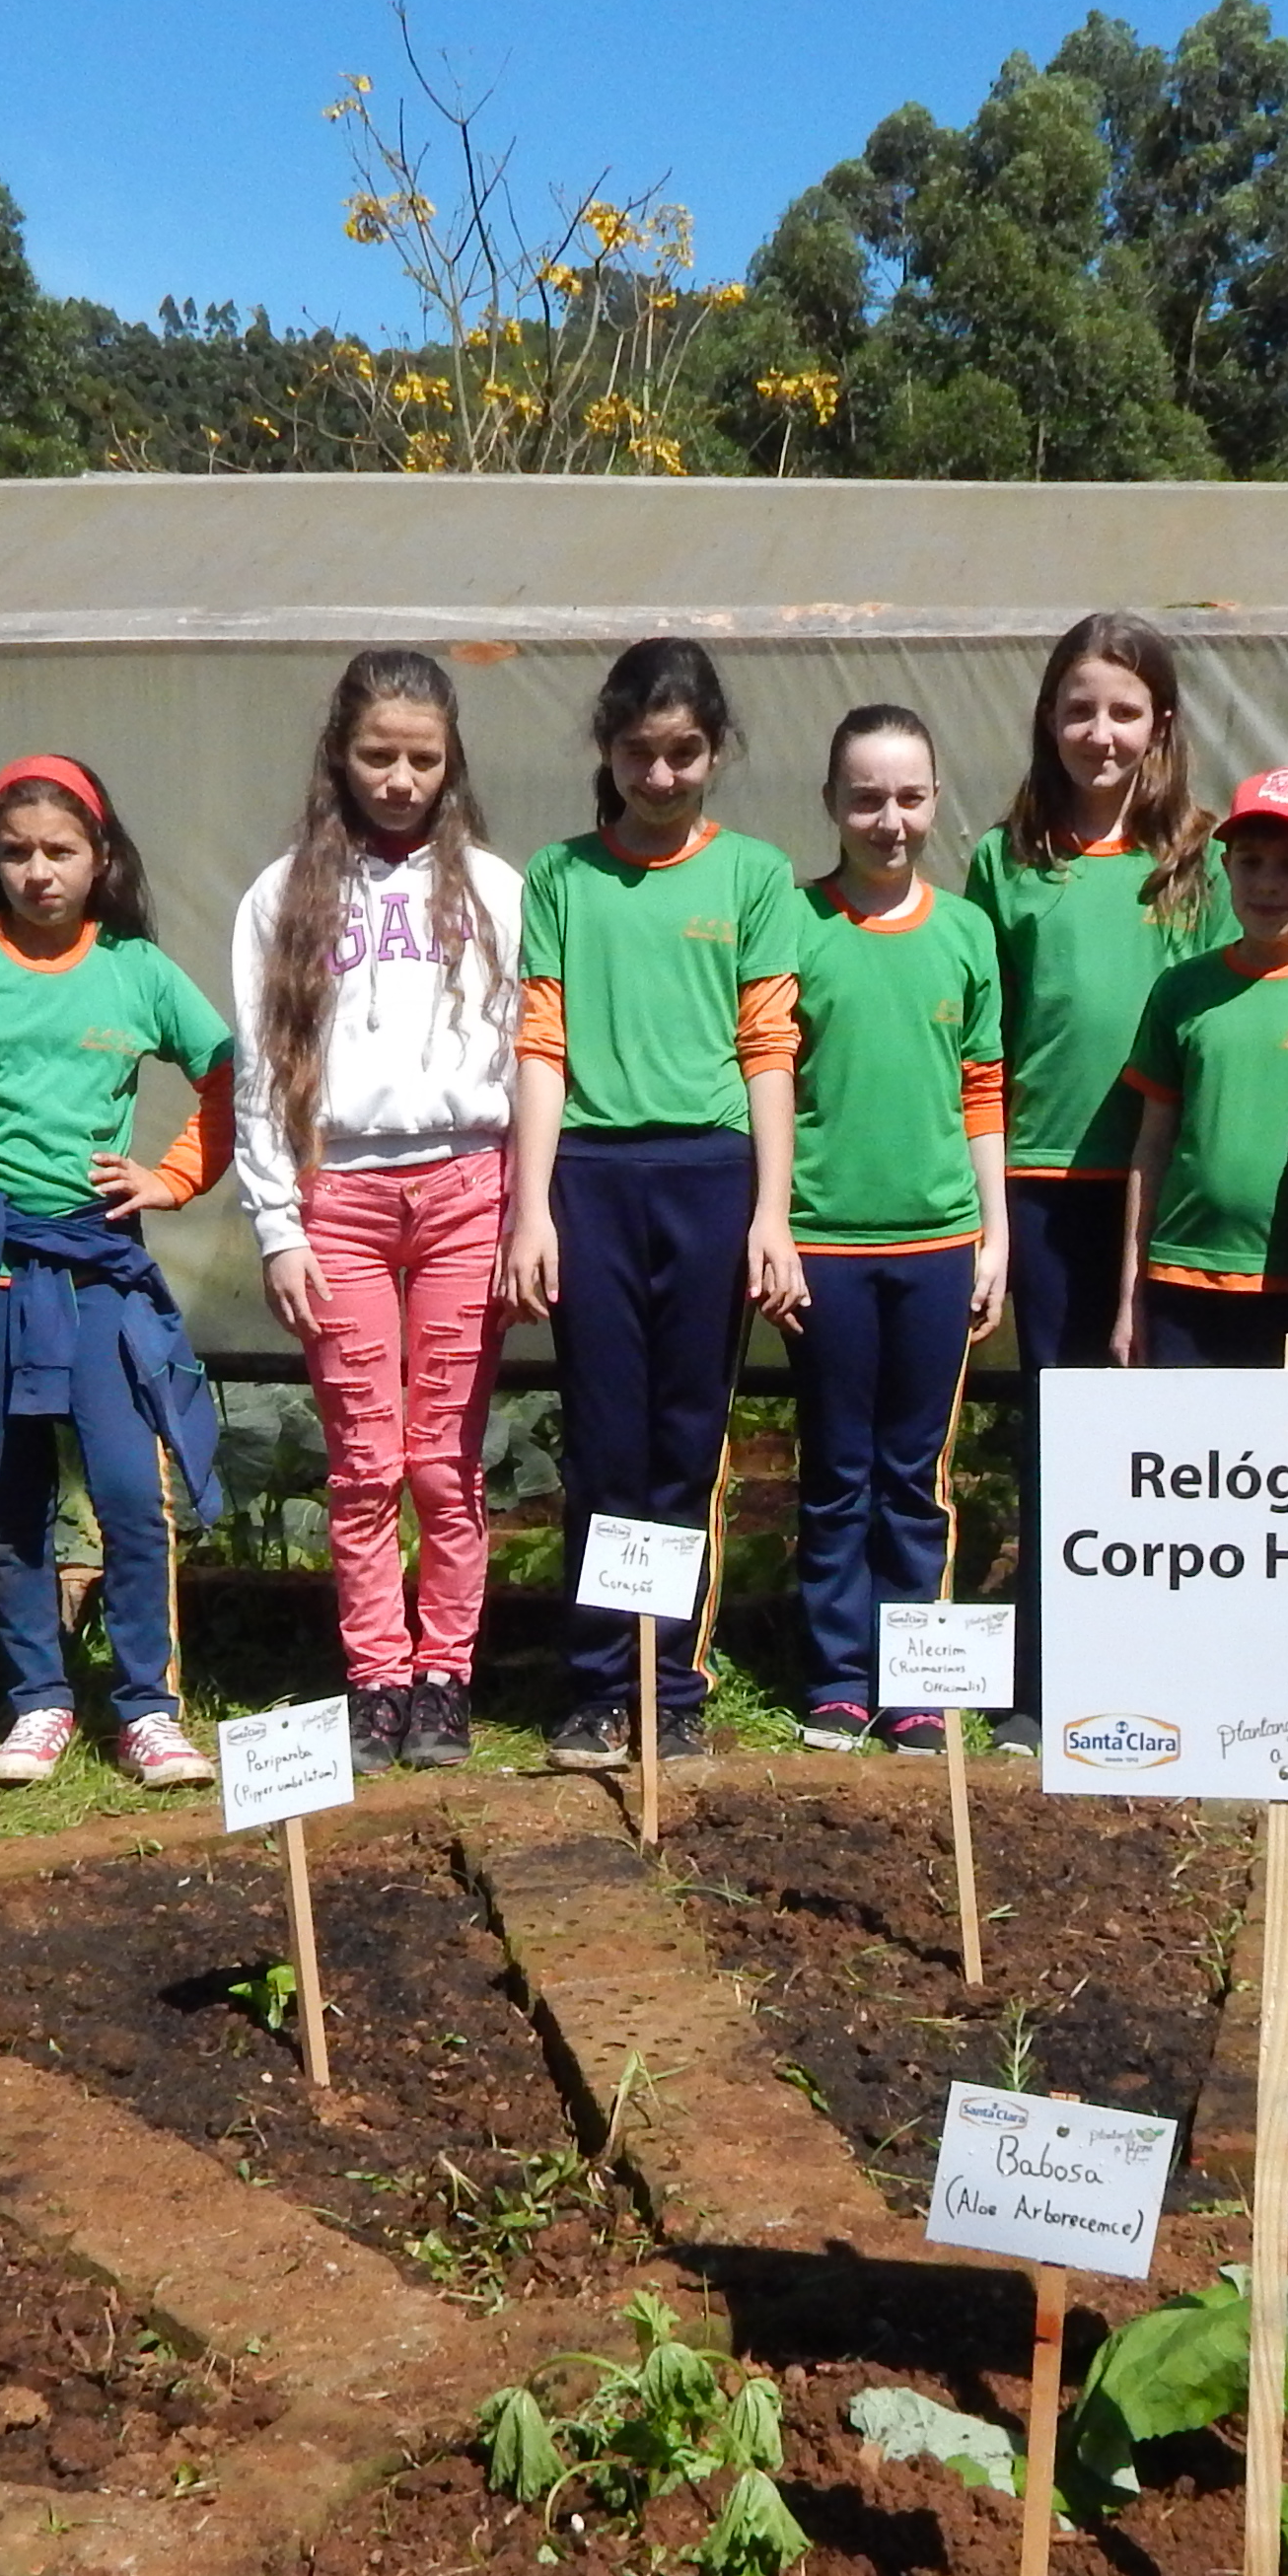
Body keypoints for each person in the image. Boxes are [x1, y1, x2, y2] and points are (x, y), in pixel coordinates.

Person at [0, 756, 232, 1794]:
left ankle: (149, 1709)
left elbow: (228, 1073)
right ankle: (38, 1699)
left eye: (60, 851)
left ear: (100, 858)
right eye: (17, 852)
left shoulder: (138, 971)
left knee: (129, 1489)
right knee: (10, 1490)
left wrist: (172, 1177)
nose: (39, 872)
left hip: (98, 1266)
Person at [500, 638, 805, 1770]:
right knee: (603, 1444)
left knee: (684, 1443)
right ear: (608, 750)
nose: (662, 776)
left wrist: (770, 1213)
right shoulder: (560, 876)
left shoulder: (756, 876)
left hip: (711, 1180)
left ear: (716, 751)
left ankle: (669, 1684)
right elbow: (540, 1045)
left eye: (684, 753)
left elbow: (768, 1049)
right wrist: (532, 1209)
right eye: (640, 753)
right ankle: (595, 1684)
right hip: (590, 1179)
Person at [230, 650, 521, 1775]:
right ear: (339, 756)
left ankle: (444, 1675)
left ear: (452, 763)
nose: (400, 781)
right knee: (363, 1462)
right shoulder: (283, 895)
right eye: (378, 756)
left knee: (445, 1458)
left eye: (423, 760)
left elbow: (529, 1054)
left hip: (466, 1189)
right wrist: (278, 1225)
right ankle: (374, 1678)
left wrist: (526, 1213)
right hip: (337, 1198)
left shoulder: (493, 889)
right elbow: (263, 1067)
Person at [967, 613, 1225, 1717]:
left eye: (1125, 712)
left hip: (1169, 1190)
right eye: (1080, 711)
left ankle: (1166, 1666)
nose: (1101, 734)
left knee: (1166, 1435)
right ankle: (1047, 1678)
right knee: (1059, 1427)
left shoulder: (1204, 858)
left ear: (1160, 724)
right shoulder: (1006, 858)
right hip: (1043, 1185)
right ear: (1048, 719)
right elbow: (980, 1033)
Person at [781, 706, 1007, 1753]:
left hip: (937, 1245)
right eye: (867, 798)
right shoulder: (791, 925)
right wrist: (773, 1229)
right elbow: (767, 1083)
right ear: (831, 803)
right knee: (836, 1471)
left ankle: (915, 1679)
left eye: (910, 797)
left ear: (936, 801)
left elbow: (983, 1091)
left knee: (915, 1477)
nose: (890, 820)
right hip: (824, 1244)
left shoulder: (966, 933)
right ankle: (837, 1676)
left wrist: (994, 1234)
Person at [1114, 767, 1288, 1369]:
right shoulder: (1181, 990)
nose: (1268, 883)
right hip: (1183, 1280)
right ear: (1225, 867)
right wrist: (1130, 1294)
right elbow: (1152, 1146)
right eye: (1250, 862)